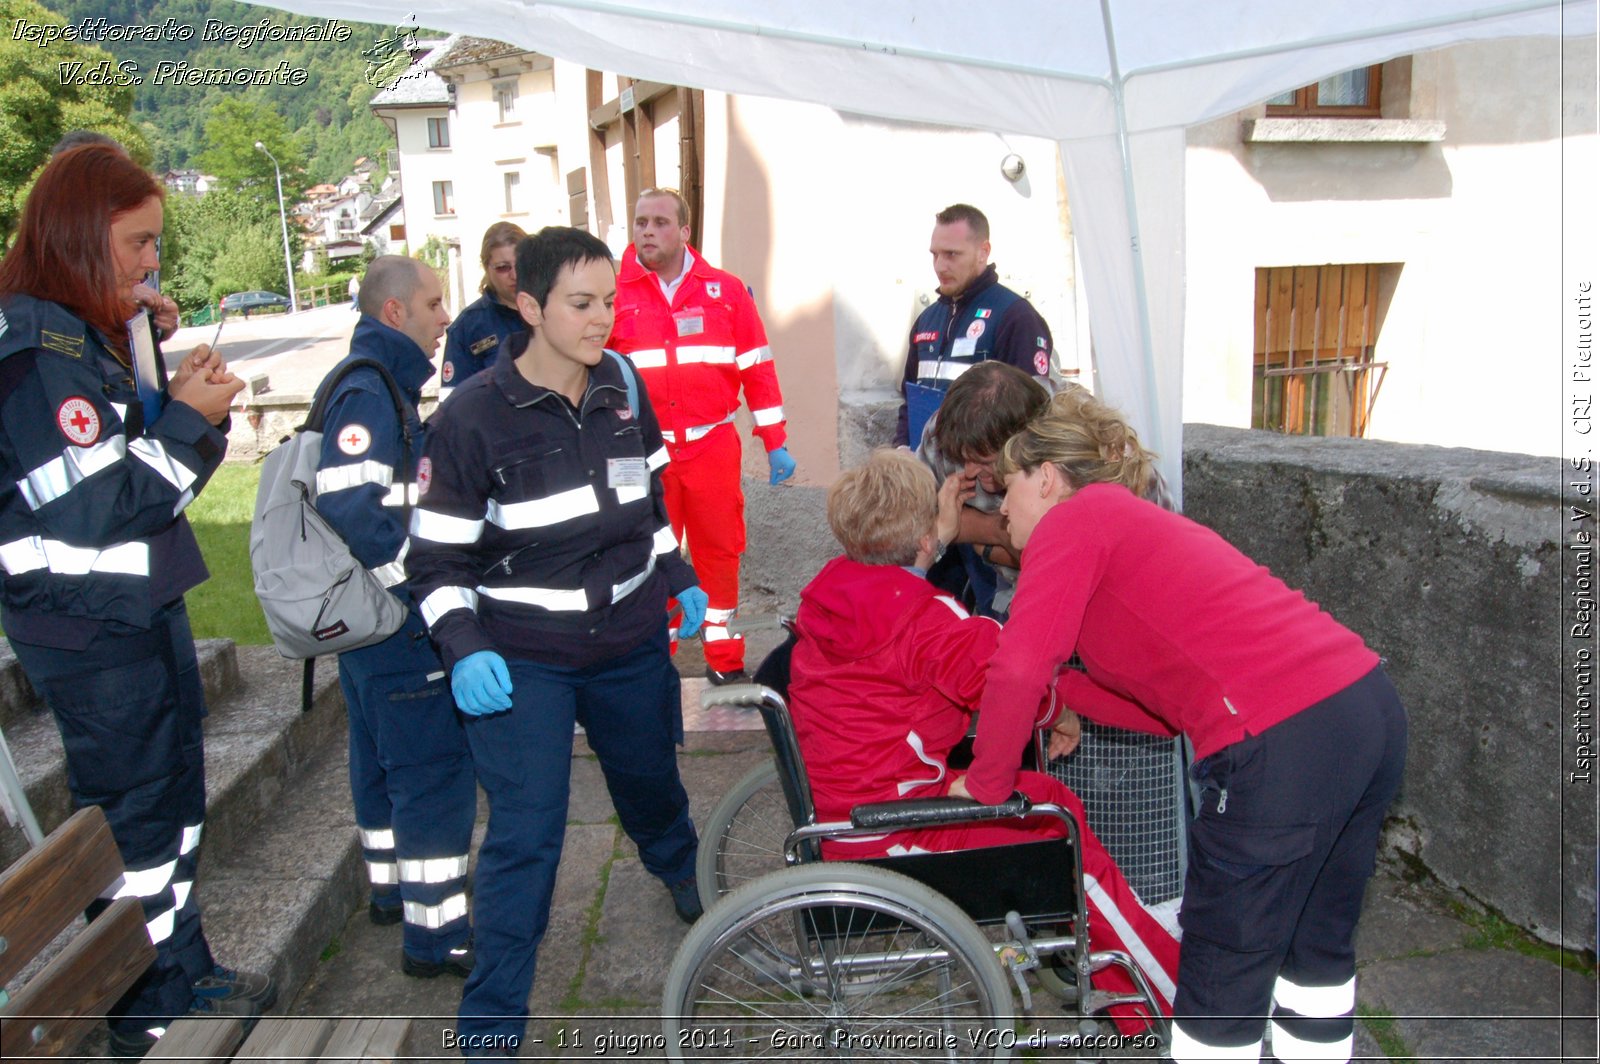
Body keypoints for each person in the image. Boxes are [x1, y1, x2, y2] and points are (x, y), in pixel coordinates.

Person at [970, 392, 1408, 1064]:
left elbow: (1018, 667)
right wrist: (1064, 701)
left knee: (1222, 970)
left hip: (1281, 738)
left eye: (1009, 487)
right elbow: (1160, 711)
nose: (1000, 509)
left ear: (1048, 477)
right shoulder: (1130, 525)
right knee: (1314, 949)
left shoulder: (1075, 519)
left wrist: (988, 788)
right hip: (1361, 706)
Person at [407, 226, 709, 1053]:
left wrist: (676, 576)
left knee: (650, 779)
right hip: (523, 659)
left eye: (610, 300)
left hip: (628, 640)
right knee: (526, 831)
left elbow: (645, 502)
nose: (602, 318)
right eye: (582, 304)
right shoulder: (471, 419)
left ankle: (682, 868)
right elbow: (431, 562)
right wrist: (464, 647)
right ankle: (493, 1017)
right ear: (530, 306)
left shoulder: (621, 382)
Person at [0, 144, 273, 1056]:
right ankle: (140, 1003)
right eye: (138, 243)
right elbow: (98, 508)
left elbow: (148, 479)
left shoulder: (83, 338)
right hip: (88, 628)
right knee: (133, 821)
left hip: (135, 609)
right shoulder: (36, 349)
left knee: (174, 803)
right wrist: (189, 419)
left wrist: (168, 379)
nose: (151, 262)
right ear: (80, 235)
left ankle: (181, 968)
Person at [787, 449, 1178, 1026]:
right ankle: (1156, 992)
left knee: (1036, 795)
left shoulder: (832, 595)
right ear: (925, 539)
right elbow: (1004, 684)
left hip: (847, 811)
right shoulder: (927, 622)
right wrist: (1060, 711)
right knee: (1055, 814)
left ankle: (1102, 947)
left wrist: (929, 535)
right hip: (897, 831)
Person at [313, 256, 477, 979]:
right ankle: (437, 937)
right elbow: (351, 505)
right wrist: (416, 592)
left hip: (368, 631)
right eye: (435, 303)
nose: (446, 317)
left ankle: (389, 893)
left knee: (377, 762)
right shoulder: (371, 391)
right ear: (394, 314)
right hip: (397, 627)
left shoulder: (377, 384)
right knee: (432, 777)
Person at [608, 188, 795, 684]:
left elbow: (756, 366)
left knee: (719, 553)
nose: (647, 230)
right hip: (645, 453)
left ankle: (724, 660)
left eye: (660, 222)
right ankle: (655, 659)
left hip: (711, 445)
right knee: (650, 554)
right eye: (640, 221)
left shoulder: (726, 291)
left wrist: (774, 440)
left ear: (685, 231)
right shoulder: (614, 294)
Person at [919, 364, 1176, 619]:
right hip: (1011, 588)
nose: (970, 471)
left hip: (1116, 594)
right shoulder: (949, 432)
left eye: (986, 462)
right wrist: (995, 530)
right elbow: (915, 521)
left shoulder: (1091, 452)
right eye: (962, 458)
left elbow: (1126, 557)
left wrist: (986, 542)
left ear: (1027, 445)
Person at [895, 203, 1055, 448]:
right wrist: (902, 451)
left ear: (983, 251)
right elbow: (909, 402)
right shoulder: (926, 319)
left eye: (952, 254)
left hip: (982, 478)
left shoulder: (1015, 316)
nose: (940, 266)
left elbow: (1031, 417)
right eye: (935, 254)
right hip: (926, 474)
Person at [439, 222, 527, 400]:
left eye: (521, 264)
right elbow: (452, 402)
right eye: (503, 267)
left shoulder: (552, 311)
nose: (514, 275)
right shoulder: (467, 327)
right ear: (487, 267)